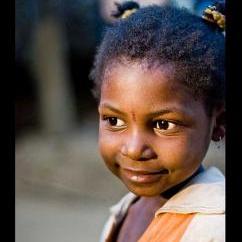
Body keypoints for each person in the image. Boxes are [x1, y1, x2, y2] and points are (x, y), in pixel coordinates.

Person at [90, 1, 225, 241]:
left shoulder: (214, 227)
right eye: (113, 120)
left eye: (164, 125)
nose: (133, 149)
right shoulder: (126, 209)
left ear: (219, 122)